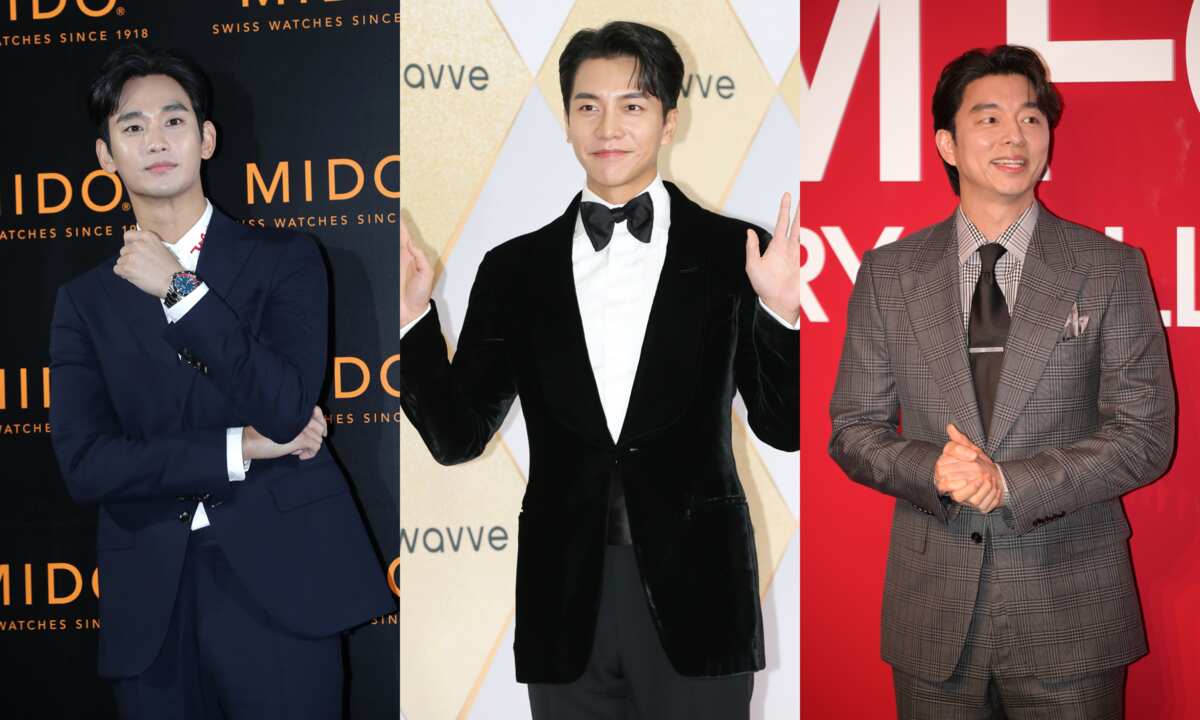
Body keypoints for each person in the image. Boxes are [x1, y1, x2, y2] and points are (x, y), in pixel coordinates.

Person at [400, 20, 799, 719]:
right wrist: (413, 322)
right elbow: (455, 435)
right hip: (565, 603)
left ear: (670, 121)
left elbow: (784, 425)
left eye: (633, 105)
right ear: (566, 120)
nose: (608, 125)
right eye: (588, 105)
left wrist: (780, 315)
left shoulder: (735, 252)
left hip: (699, 598)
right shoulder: (513, 269)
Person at [829, 45, 1174, 718]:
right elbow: (853, 430)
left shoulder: (1110, 268)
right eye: (988, 119)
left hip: (1071, 614)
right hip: (934, 615)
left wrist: (1010, 483)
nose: (1014, 136)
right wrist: (935, 468)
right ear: (947, 143)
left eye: (1031, 119)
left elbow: (1146, 436)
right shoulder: (889, 274)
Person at [49, 44, 393, 719]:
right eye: (132, 126)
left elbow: (287, 406)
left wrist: (181, 291)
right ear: (105, 156)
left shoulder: (287, 260)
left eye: (173, 122)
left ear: (206, 138)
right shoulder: (83, 302)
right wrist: (238, 448)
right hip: (153, 601)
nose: (155, 140)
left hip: (284, 585)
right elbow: (86, 466)